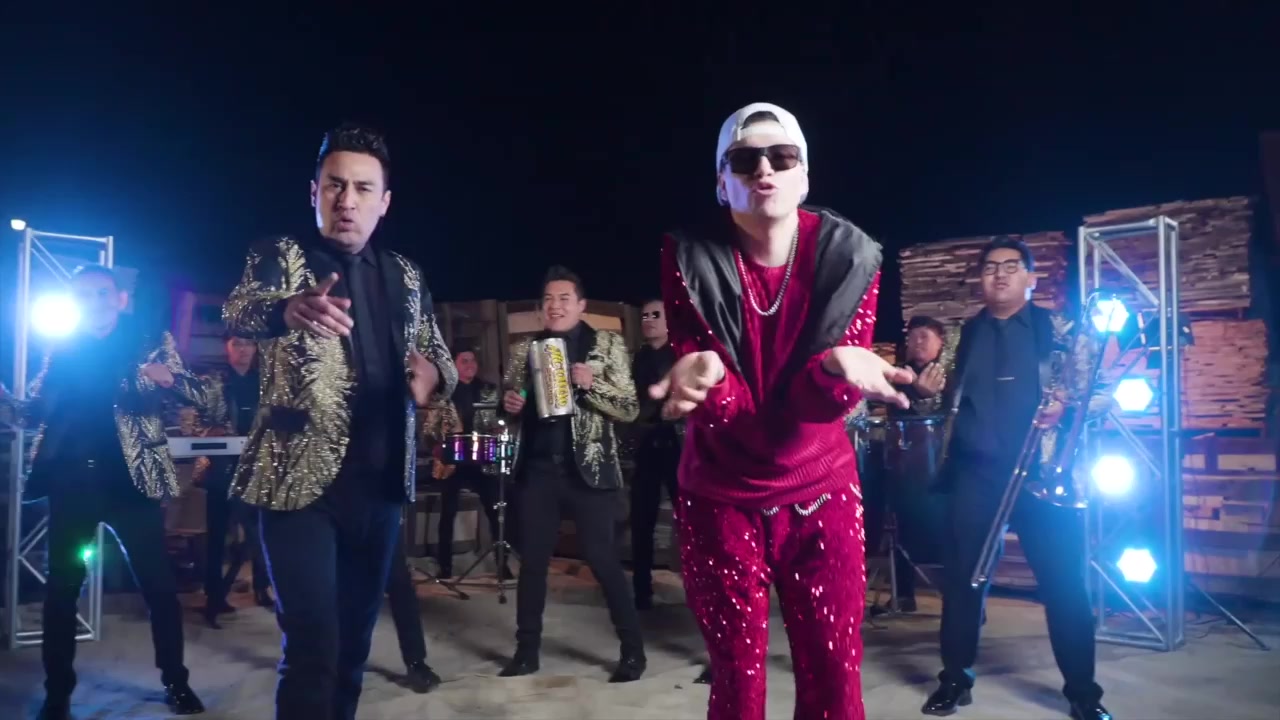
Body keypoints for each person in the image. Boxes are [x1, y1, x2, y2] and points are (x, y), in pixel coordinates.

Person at [654, 102, 911, 720]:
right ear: (722, 183)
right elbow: (729, 411)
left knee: (834, 677)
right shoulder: (688, 258)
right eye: (745, 160)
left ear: (804, 176)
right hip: (720, 498)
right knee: (737, 683)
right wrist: (711, 377)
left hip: (822, 491)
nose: (764, 169)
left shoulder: (852, 257)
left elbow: (812, 411)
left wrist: (835, 371)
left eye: (781, 157)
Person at [224, 123, 457, 720]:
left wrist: (433, 377)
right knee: (313, 650)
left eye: (362, 188)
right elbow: (239, 308)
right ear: (314, 192)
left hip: (380, 487)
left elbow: (439, 356)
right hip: (298, 488)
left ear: (384, 201)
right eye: (334, 185)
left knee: (353, 650)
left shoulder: (406, 275)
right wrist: (286, 308)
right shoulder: (280, 255)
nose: (346, 200)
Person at [922, 236, 1111, 720]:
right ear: (980, 279)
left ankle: (1083, 694)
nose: (1000, 274)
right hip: (975, 476)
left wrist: (1068, 406)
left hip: (1043, 477)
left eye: (1011, 266)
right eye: (989, 267)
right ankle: (955, 679)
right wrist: (922, 391)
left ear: (1031, 277)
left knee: (1065, 586)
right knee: (963, 583)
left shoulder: (1065, 331)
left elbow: (1103, 394)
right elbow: (939, 398)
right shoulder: (961, 337)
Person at [21, 265, 207, 718]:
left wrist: (170, 379)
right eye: (84, 295)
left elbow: (198, 395)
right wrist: (10, 403)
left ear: (121, 299)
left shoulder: (150, 342)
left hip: (132, 484)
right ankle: (57, 693)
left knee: (159, 588)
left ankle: (176, 680)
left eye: (102, 293)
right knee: (62, 591)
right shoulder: (63, 348)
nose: (94, 302)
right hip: (73, 483)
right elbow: (35, 411)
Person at [498, 265, 645, 682]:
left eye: (564, 298)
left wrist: (591, 384)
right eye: (548, 299)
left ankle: (633, 652)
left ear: (581, 305)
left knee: (602, 559)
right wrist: (510, 404)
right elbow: (511, 399)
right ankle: (526, 652)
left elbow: (629, 408)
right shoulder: (524, 349)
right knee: (532, 563)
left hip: (589, 471)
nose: (555, 306)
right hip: (538, 471)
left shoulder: (606, 345)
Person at [866, 315, 950, 616]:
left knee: (940, 532)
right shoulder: (900, 375)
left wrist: (926, 397)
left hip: (938, 465)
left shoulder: (949, 375)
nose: (917, 342)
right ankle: (903, 595)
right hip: (902, 465)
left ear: (941, 343)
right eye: (913, 337)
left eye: (925, 336)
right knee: (898, 525)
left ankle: (959, 602)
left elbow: (946, 411)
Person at [190, 332, 272, 628]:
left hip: (257, 466)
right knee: (218, 534)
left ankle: (262, 587)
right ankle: (214, 596)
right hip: (222, 467)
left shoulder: (265, 381)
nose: (243, 350)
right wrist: (211, 432)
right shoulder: (213, 382)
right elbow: (196, 421)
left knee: (259, 530)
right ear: (227, 346)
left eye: (248, 343)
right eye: (237, 343)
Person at [434, 348, 511, 579]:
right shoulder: (445, 391)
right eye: (464, 360)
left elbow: (501, 418)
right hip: (453, 460)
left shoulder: (488, 390)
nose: (470, 364)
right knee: (448, 513)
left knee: (494, 511)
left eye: (473, 360)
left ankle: (502, 564)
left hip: (482, 459)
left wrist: (499, 427)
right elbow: (432, 426)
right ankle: (445, 566)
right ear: (454, 364)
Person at [628, 298, 682, 609]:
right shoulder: (639, 358)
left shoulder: (681, 355)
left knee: (687, 520)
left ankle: (701, 585)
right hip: (647, 446)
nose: (648, 319)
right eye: (645, 315)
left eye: (655, 315)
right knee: (641, 518)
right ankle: (641, 589)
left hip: (678, 446)